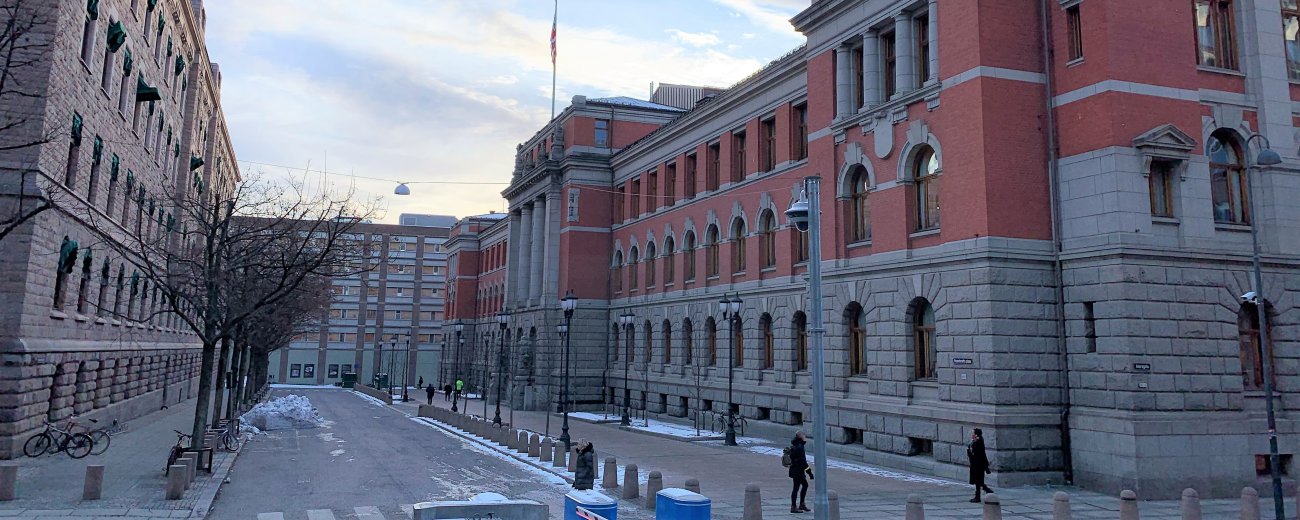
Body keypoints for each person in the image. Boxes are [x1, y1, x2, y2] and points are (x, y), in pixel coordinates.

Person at [967, 428, 993, 503]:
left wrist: (969, 452)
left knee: (978, 480)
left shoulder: (978, 442)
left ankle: (978, 496)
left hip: (978, 464)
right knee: (978, 480)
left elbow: (977, 454)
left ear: (976, 435)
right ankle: (986, 490)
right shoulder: (975, 441)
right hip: (975, 463)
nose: (972, 434)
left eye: (973, 433)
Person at [788, 431, 811, 513]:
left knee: (796, 487)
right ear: (801, 437)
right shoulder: (800, 447)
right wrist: (809, 472)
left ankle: (798, 505)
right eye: (804, 435)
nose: (805, 436)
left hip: (795, 470)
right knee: (804, 485)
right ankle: (797, 506)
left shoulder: (796, 445)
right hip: (798, 471)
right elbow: (803, 462)